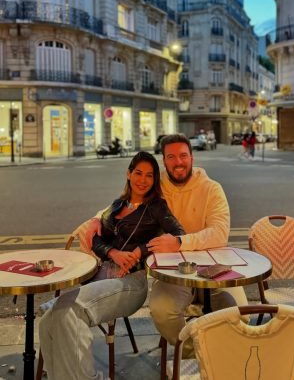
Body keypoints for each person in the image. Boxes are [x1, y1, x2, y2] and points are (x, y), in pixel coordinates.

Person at [86, 134, 248, 358]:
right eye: (171, 157)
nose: (178, 162)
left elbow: (220, 233)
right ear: (164, 161)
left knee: (240, 314)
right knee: (163, 310)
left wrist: (180, 242)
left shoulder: (211, 188)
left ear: (192, 157)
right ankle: (198, 355)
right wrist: (96, 219)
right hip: (173, 271)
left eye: (183, 156)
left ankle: (225, 356)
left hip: (215, 267)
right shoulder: (156, 186)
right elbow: (124, 203)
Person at [39, 151, 185, 380]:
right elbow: (96, 240)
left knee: (69, 311)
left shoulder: (157, 207)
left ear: (155, 180)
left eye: (149, 175)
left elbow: (178, 235)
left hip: (130, 282)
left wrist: (141, 251)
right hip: (100, 276)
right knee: (50, 317)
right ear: (129, 174)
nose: (143, 179)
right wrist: (113, 252)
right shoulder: (117, 205)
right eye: (138, 173)